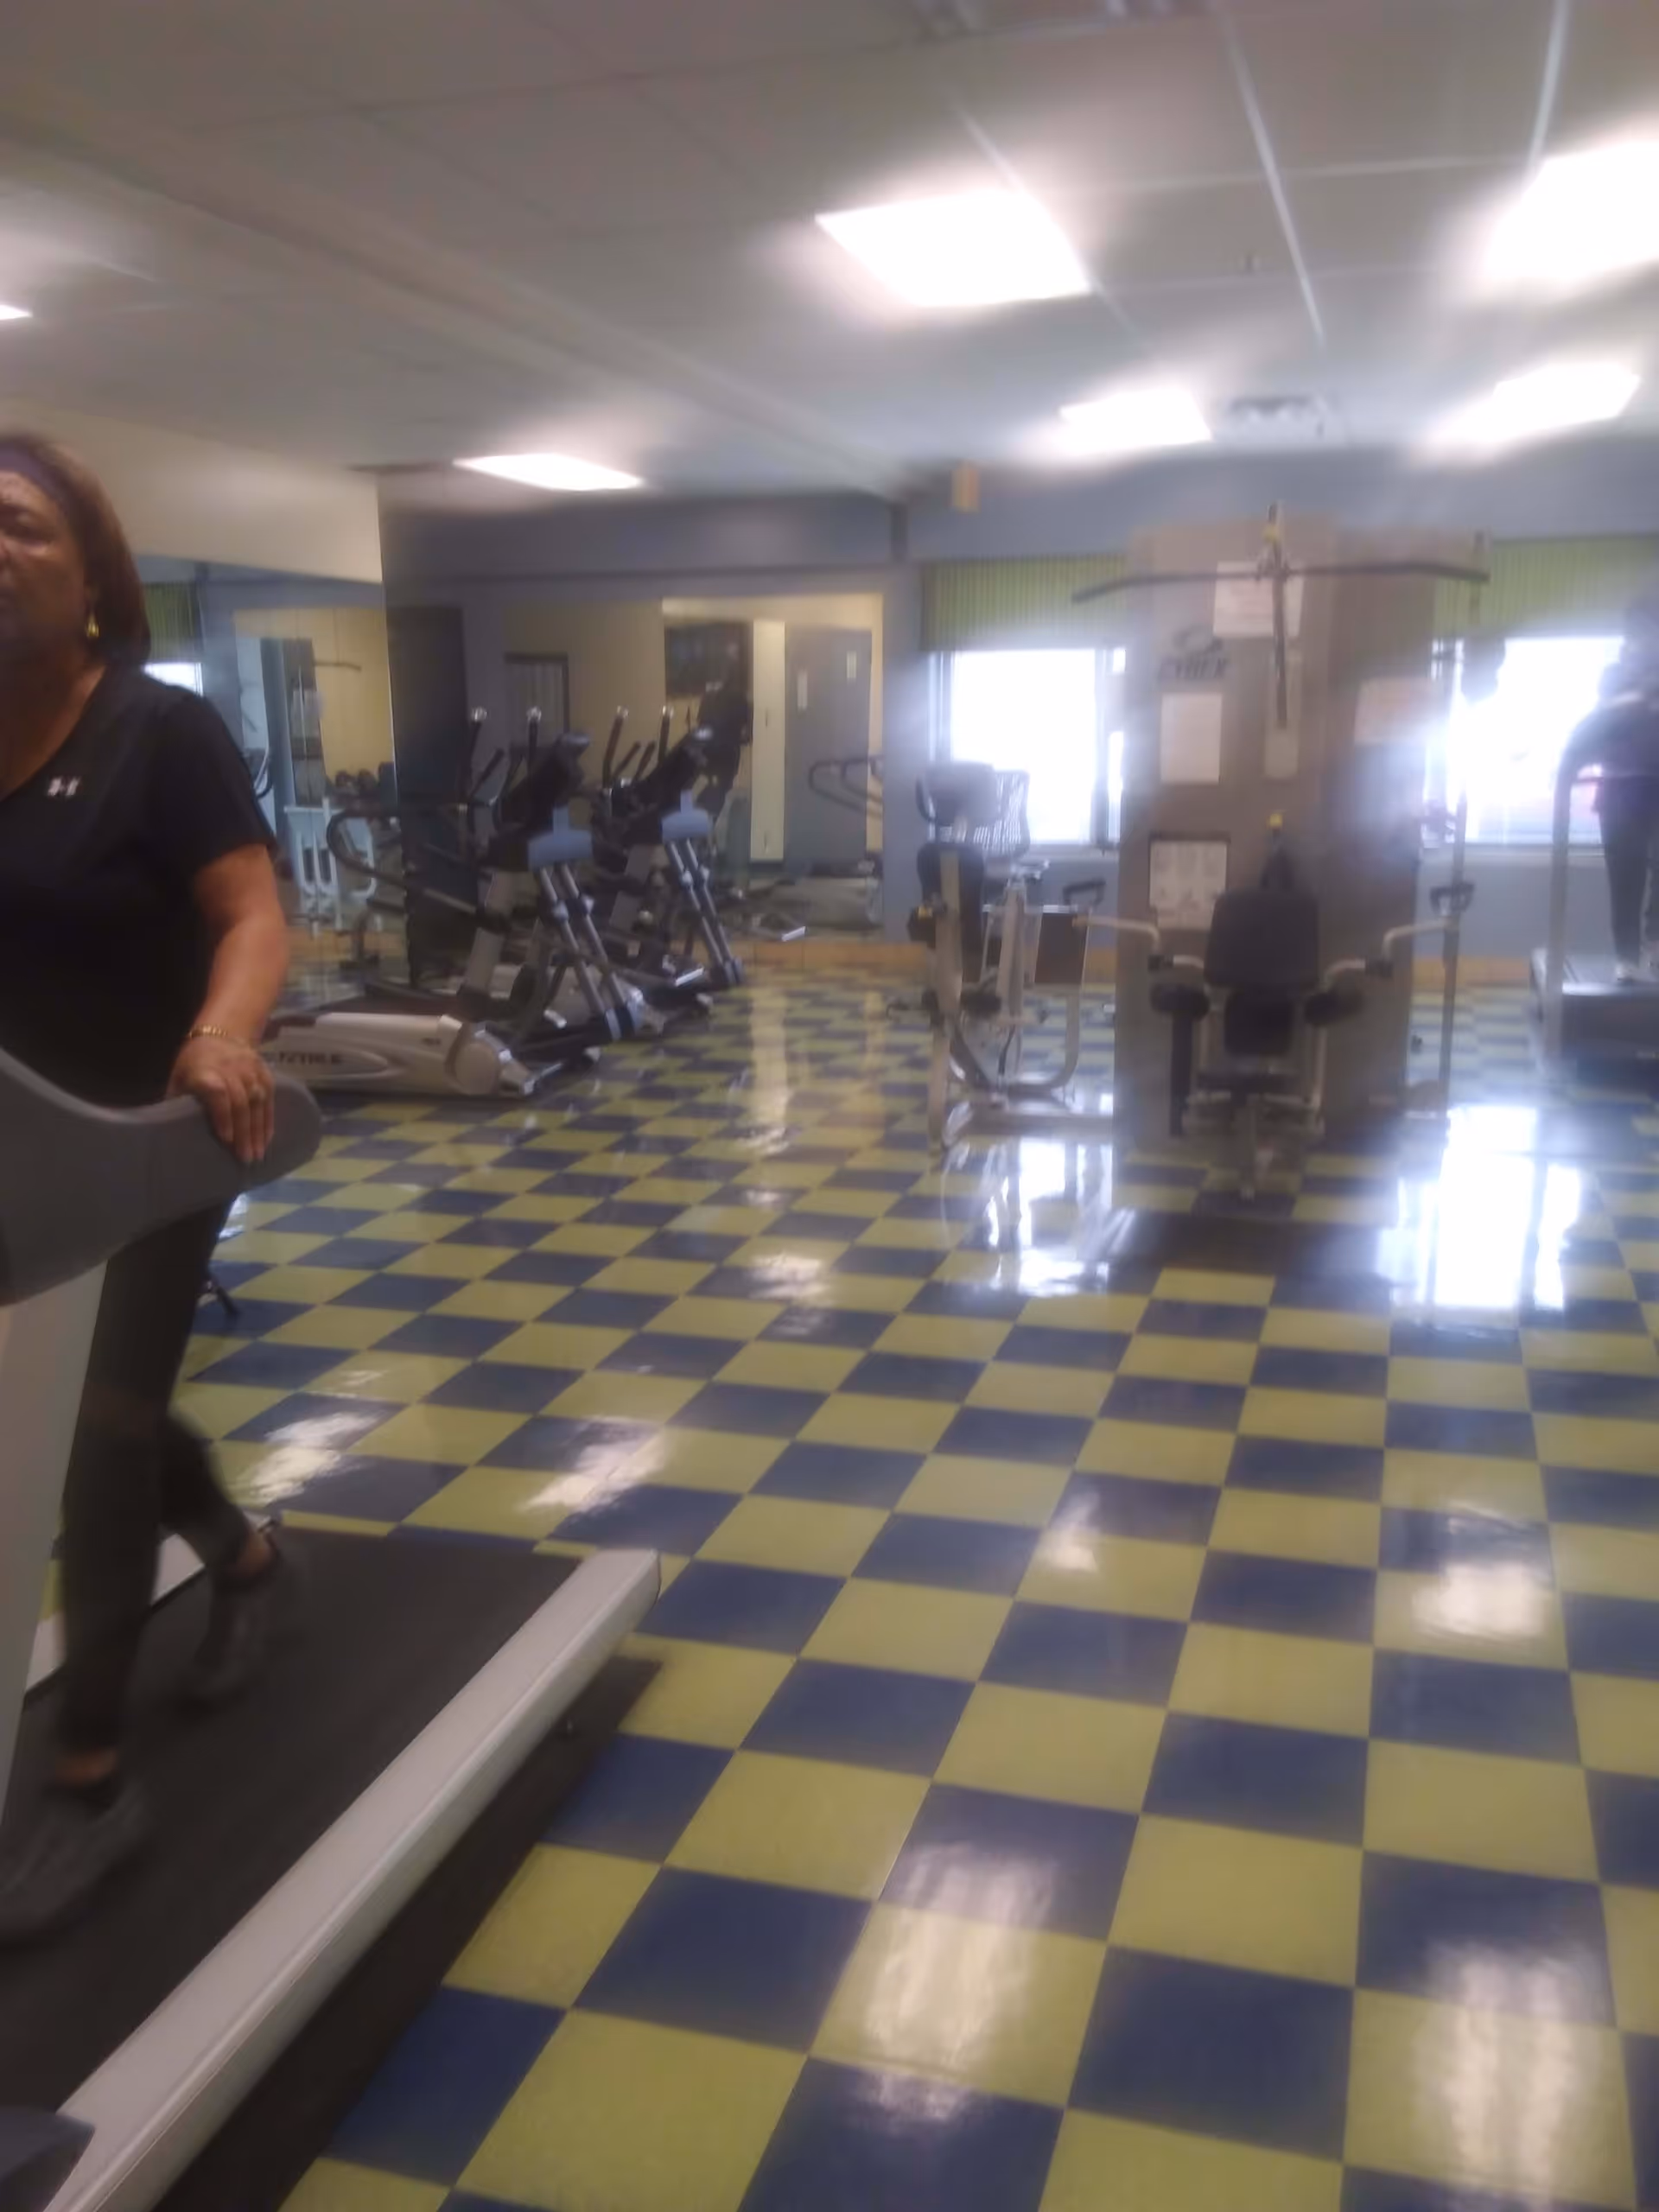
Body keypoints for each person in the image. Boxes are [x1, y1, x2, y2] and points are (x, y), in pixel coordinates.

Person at [0, 433, 294, 1940]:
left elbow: (250, 910)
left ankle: (91, 1777)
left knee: (99, 1430)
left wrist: (220, 1035)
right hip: (13, 1148)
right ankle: (242, 1554)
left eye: (18, 525)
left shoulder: (154, 735)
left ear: (94, 575)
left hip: (152, 1139)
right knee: (57, 1409)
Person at [1585, 612, 1659, 984]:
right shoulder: (1614, 678)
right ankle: (1626, 957)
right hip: (1620, 789)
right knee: (1625, 878)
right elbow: (1607, 723)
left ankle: (1655, 944)